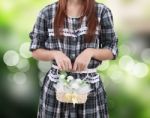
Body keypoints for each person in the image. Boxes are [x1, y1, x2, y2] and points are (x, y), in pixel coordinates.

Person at [29, 0, 118, 118]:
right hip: (56, 88)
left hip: (89, 88)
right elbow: (35, 50)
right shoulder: (47, 12)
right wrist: (55, 54)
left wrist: (90, 52)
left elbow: (112, 50)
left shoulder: (101, 11)